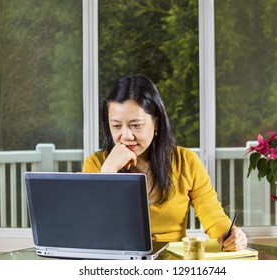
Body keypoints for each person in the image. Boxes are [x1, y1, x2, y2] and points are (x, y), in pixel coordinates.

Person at [83, 73, 247, 251]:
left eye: (135, 125)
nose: (126, 136)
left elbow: (213, 217)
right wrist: (108, 172)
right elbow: (89, 228)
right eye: (116, 126)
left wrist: (231, 236)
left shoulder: (186, 161)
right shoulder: (97, 164)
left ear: (156, 124)